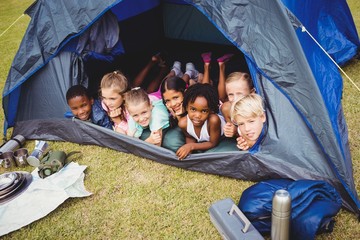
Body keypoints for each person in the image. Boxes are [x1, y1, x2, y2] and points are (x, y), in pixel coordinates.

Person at [176, 83, 225, 160]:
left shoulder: (213, 120)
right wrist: (188, 150)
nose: (197, 115)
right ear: (186, 107)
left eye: (204, 111)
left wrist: (191, 146)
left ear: (210, 111)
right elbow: (190, 136)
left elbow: (213, 143)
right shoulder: (183, 123)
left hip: (223, 137)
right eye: (193, 109)